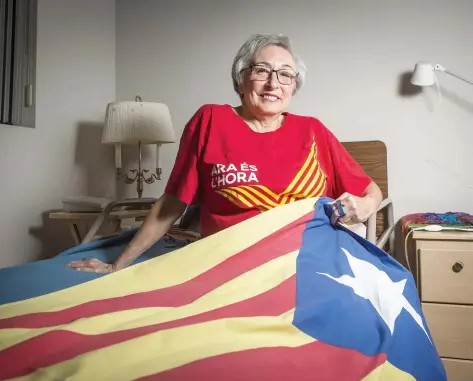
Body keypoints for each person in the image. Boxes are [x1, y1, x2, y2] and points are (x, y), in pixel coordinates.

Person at [67, 33, 383, 273]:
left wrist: (365, 207)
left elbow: (371, 191)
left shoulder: (313, 131)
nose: (274, 83)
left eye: (285, 74)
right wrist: (118, 266)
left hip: (308, 261)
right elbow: (173, 203)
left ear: (293, 85)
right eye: (262, 70)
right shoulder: (210, 121)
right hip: (230, 266)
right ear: (241, 78)